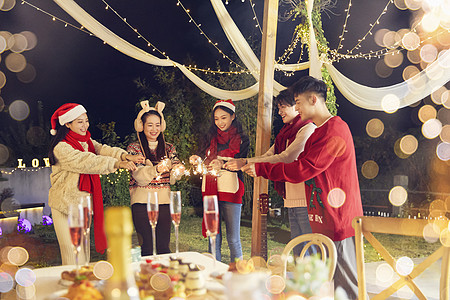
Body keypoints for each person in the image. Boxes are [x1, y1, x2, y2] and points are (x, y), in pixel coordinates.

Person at [242, 76, 363, 299]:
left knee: (345, 287)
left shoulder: (335, 130)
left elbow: (302, 169)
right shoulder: (318, 131)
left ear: (313, 99)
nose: (296, 107)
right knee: (321, 285)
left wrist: (262, 170)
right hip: (322, 218)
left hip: (340, 219)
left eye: (298, 102)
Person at [48, 103, 143, 265]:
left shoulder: (87, 142)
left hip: (83, 205)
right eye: (80, 122)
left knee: (84, 255)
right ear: (67, 124)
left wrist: (125, 156)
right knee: (72, 255)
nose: (85, 125)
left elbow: (102, 150)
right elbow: (86, 161)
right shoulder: (61, 148)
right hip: (64, 206)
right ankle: (73, 287)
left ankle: (83, 287)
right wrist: (116, 164)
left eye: (86, 121)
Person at [224, 89, 316, 256]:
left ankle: (315, 281)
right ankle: (300, 281)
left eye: (283, 107)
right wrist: (245, 162)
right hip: (290, 196)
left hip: (305, 196)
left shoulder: (307, 129)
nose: (279, 112)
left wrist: (250, 163)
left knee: (308, 246)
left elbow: (286, 157)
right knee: (297, 247)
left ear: (297, 106)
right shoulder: (285, 133)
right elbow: (269, 156)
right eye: (278, 108)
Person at [190, 99, 249, 262]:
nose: (220, 122)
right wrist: (197, 158)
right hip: (210, 187)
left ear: (232, 116)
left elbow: (239, 161)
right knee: (213, 235)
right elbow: (203, 155)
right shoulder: (209, 137)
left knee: (233, 238)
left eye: (223, 117)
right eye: (216, 118)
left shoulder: (242, 139)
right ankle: (213, 271)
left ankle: (237, 273)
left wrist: (221, 162)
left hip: (231, 189)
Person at [127, 101, 185, 256]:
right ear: (141, 126)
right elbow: (139, 176)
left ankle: (164, 278)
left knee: (164, 247)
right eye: (150, 125)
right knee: (146, 247)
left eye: (157, 125)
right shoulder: (134, 148)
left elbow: (173, 178)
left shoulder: (169, 148)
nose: (154, 129)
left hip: (164, 202)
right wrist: (157, 169)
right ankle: (146, 279)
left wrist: (178, 170)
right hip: (141, 202)